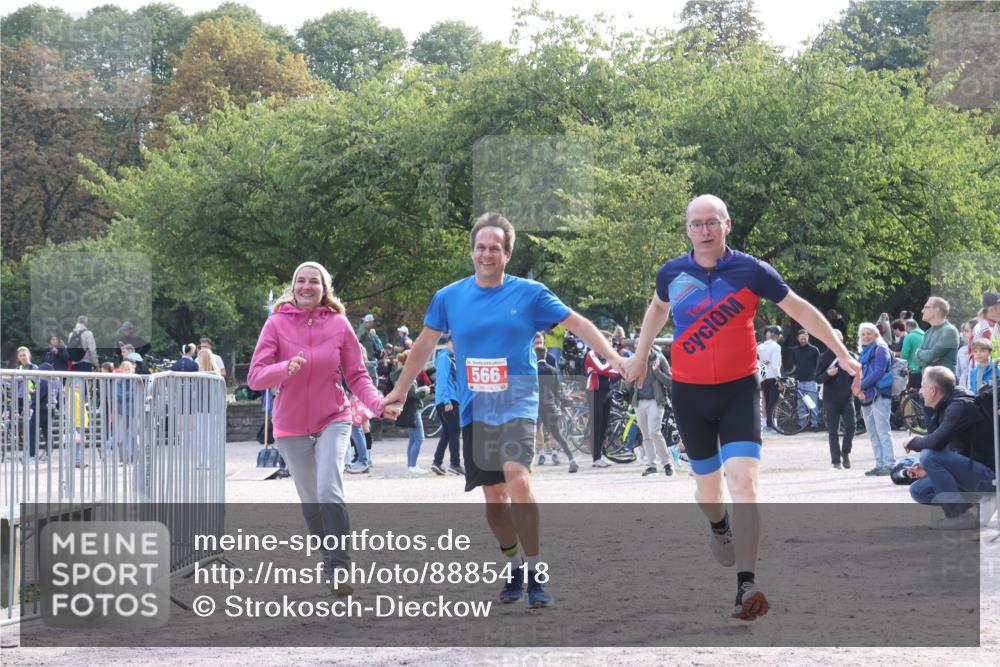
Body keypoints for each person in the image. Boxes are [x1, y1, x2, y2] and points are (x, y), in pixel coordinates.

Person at [622, 194, 861, 622]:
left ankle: (746, 585)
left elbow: (799, 309)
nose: (705, 230)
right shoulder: (672, 273)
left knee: (744, 482)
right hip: (690, 392)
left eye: (712, 222)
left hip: (739, 390)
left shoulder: (752, 271)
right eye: (697, 224)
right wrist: (640, 356)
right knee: (709, 492)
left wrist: (841, 353)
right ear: (687, 229)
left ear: (727, 225)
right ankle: (719, 526)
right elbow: (658, 308)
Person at [381, 212, 624, 609]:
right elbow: (423, 345)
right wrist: (399, 390)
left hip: (518, 401)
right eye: (481, 247)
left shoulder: (530, 294)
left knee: (518, 479)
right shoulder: (449, 297)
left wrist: (615, 358)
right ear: (472, 252)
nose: (487, 254)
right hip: (476, 407)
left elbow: (578, 324)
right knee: (494, 498)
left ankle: (536, 570)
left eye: (495, 248)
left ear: (507, 254)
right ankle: (513, 565)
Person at [248, 261, 386, 596]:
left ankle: (340, 568)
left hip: (333, 417)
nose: (307, 286)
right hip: (290, 425)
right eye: (301, 280)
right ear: (293, 286)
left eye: (314, 281)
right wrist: (284, 368)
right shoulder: (275, 323)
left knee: (329, 491)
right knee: (311, 501)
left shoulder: (338, 323)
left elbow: (357, 375)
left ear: (324, 289)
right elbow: (255, 377)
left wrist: (379, 404)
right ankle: (329, 559)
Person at [903, 366, 996, 529]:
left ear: (933, 390)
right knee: (919, 490)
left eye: (923, 387)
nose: (920, 392)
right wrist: (927, 468)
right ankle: (975, 507)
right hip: (972, 471)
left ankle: (958, 516)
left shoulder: (959, 406)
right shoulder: (945, 405)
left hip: (990, 476)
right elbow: (943, 444)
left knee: (929, 455)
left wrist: (912, 442)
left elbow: (935, 442)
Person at [855, 322, 896, 476]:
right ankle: (879, 464)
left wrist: (860, 386)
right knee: (872, 432)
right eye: (863, 334)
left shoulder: (881, 349)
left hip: (880, 394)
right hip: (866, 396)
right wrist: (858, 389)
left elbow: (879, 372)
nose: (866, 337)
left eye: (869, 333)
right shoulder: (863, 353)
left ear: (876, 335)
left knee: (883, 430)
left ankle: (889, 464)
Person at [626, 344, 673, 476]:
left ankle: (667, 463)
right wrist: (630, 376)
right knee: (646, 435)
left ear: (649, 344)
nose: (638, 349)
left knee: (654, 432)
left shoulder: (659, 358)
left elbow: (670, 381)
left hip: (655, 401)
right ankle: (651, 465)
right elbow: (628, 385)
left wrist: (656, 371)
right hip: (639, 402)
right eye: (636, 346)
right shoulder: (634, 361)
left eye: (640, 345)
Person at [534, 344, 578, 473]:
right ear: (545, 355)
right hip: (550, 406)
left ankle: (528, 463)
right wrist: (557, 405)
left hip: (536, 406)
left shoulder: (533, 370)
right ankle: (572, 459)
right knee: (557, 434)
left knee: (531, 434)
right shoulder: (552, 370)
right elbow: (557, 390)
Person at [816, 329, 856, 469]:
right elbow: (817, 378)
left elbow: (857, 375)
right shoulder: (823, 357)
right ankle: (836, 461)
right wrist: (827, 374)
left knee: (851, 426)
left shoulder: (849, 356)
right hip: (830, 399)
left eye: (839, 339)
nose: (836, 342)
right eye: (833, 339)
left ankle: (845, 452)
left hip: (847, 398)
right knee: (833, 431)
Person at [392, 350, 432, 473]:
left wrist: (421, 389)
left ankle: (411, 465)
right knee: (419, 438)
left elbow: (409, 391)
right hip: (412, 408)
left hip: (408, 408)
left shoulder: (402, 372)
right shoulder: (407, 372)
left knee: (413, 439)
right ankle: (413, 465)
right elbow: (412, 394)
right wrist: (424, 392)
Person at [584, 334, 621, 468]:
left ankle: (599, 456)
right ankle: (596, 458)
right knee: (597, 424)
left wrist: (615, 368)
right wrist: (615, 364)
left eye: (610, 342)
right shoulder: (592, 353)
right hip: (594, 392)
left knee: (604, 424)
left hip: (607, 391)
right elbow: (601, 368)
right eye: (607, 341)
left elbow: (616, 374)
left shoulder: (607, 357)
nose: (609, 344)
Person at [430, 335, 463, 476]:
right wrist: (447, 401)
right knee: (454, 431)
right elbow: (442, 381)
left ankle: (437, 462)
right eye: (453, 342)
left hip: (448, 399)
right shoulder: (445, 358)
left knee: (447, 432)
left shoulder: (449, 358)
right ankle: (455, 464)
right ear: (448, 342)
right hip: (448, 400)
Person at [790, 330, 821, 431]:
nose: (803, 340)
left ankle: (814, 424)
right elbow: (794, 365)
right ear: (798, 339)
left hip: (811, 380)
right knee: (801, 405)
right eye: (801, 339)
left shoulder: (814, 350)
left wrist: (817, 377)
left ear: (808, 338)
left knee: (813, 404)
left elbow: (819, 365)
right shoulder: (794, 350)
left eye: (805, 338)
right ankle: (801, 425)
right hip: (799, 380)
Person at [757, 325, 783, 434]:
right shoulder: (776, 347)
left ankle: (768, 426)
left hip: (763, 377)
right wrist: (779, 379)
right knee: (774, 403)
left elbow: (759, 362)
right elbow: (775, 365)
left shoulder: (760, 346)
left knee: (766, 402)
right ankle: (771, 426)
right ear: (777, 336)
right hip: (773, 377)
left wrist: (762, 376)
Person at [900, 319, 925, 390]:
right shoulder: (925, 334)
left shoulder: (909, 336)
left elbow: (904, 354)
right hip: (925, 369)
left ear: (908, 327)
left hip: (913, 369)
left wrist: (902, 366)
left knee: (914, 392)